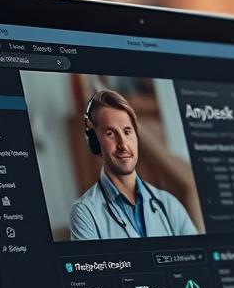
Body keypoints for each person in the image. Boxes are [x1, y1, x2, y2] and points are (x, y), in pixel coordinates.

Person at [70, 89, 198, 240]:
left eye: (127, 132)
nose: (123, 144)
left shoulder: (169, 204)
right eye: (110, 133)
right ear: (95, 142)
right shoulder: (85, 213)